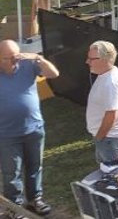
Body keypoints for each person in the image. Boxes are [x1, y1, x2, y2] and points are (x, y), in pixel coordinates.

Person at [0, 40, 59, 215]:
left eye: (16, 56)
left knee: (35, 166)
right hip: (6, 133)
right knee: (12, 173)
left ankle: (35, 200)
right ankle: (14, 208)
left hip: (34, 128)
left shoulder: (28, 65)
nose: (14, 61)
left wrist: (37, 58)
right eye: (8, 58)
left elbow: (54, 73)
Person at [86, 41, 118, 167]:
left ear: (105, 59)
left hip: (109, 139)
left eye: (91, 59)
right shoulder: (106, 75)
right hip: (107, 138)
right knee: (107, 175)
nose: (87, 62)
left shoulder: (111, 83)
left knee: (116, 177)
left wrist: (99, 137)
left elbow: (111, 115)